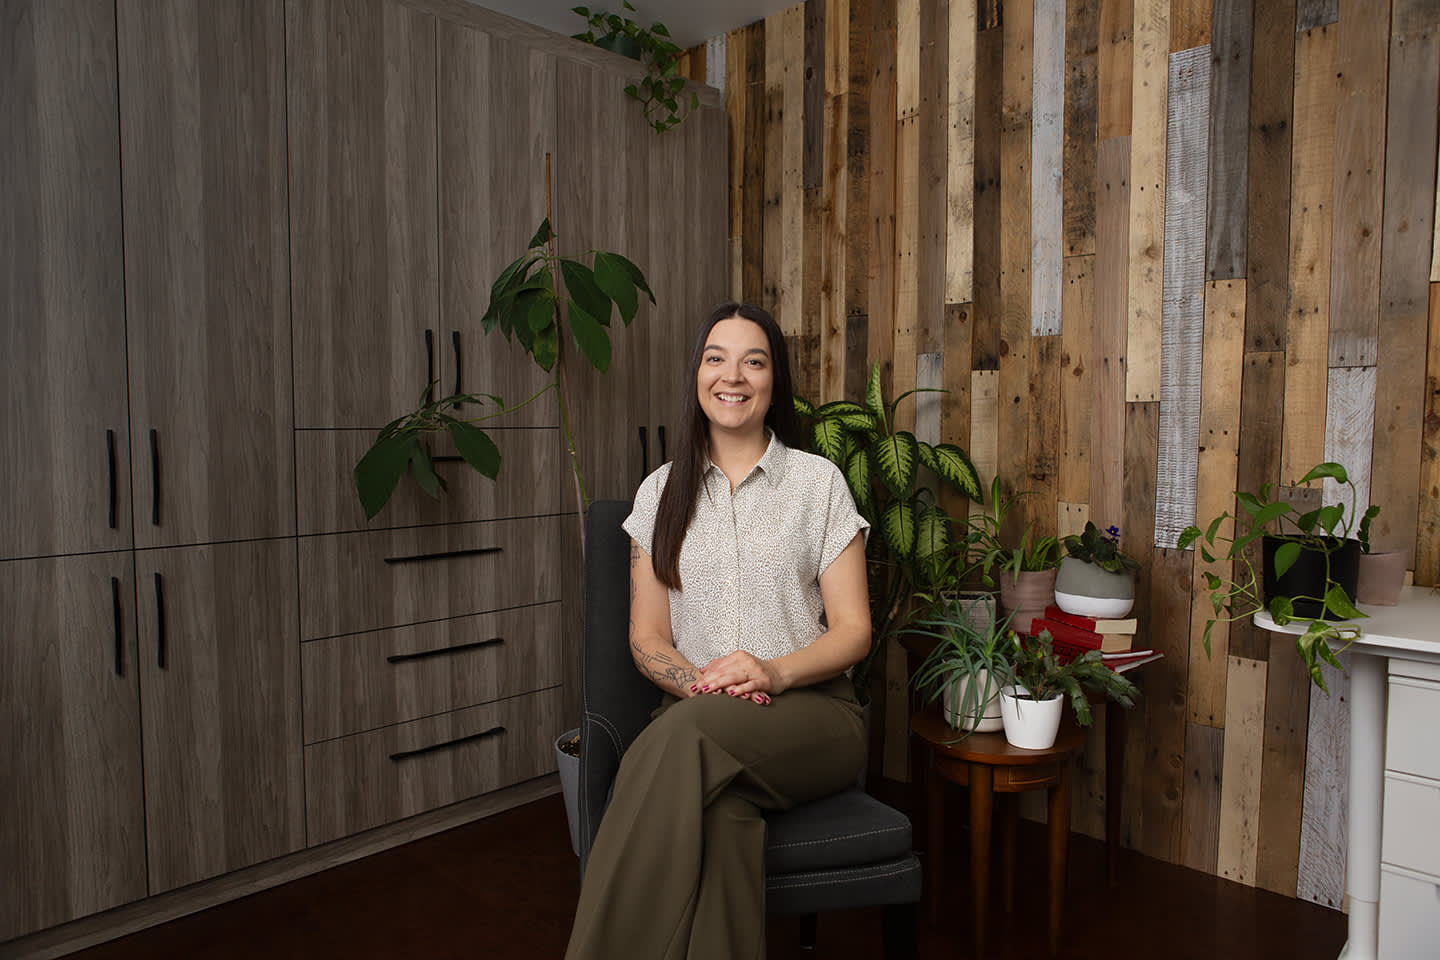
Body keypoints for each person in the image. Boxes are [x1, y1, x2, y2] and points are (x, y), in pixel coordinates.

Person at [564, 302, 873, 960]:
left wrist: (774, 671)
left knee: (678, 743)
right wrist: (704, 693)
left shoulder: (817, 485)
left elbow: (854, 633)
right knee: (722, 818)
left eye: (753, 361)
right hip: (700, 719)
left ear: (773, 381)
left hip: (814, 717)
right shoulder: (659, 494)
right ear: (696, 376)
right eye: (716, 358)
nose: (733, 375)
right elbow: (649, 638)